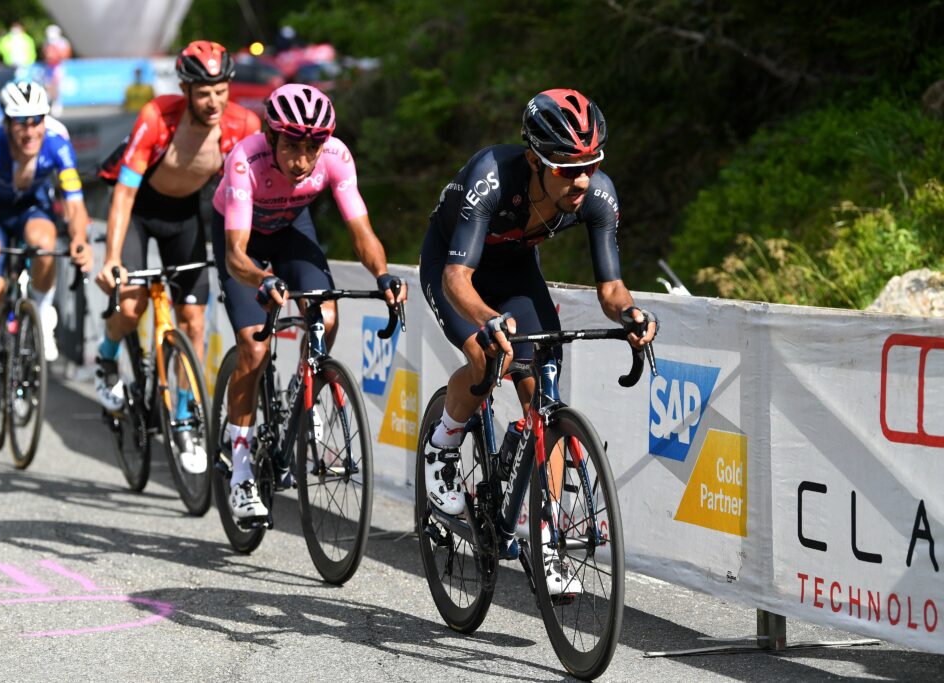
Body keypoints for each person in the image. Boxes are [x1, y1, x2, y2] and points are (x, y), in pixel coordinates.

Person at [418, 88, 657, 595]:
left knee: (541, 400)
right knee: (487, 358)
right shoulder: (491, 175)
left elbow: (611, 289)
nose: (582, 179)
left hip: (516, 270)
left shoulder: (596, 195)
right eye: (568, 169)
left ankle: (542, 537)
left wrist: (633, 313)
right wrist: (488, 318)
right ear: (534, 161)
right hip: (453, 265)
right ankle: (442, 446)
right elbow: (458, 279)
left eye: (591, 164)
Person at [213, 83, 407, 520]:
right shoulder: (245, 158)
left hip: (290, 228)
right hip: (241, 238)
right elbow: (236, 254)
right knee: (254, 348)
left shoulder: (335, 156)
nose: (302, 161)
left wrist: (384, 275)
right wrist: (264, 280)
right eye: (292, 147)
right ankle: (241, 469)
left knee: (327, 313)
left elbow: (361, 232)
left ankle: (306, 388)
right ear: (271, 136)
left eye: (312, 148)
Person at [93, 41, 260, 474]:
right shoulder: (157, 117)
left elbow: (248, 197)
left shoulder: (243, 124)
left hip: (186, 216)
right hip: (140, 212)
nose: (214, 101)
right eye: (204, 92)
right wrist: (112, 257)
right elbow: (125, 192)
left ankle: (184, 414)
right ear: (185, 90)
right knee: (130, 305)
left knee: (194, 320)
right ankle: (106, 356)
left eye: (221, 90)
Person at [0, 81, 93, 432]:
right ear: (7, 123)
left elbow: (75, 204)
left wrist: (79, 238)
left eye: (37, 120)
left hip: (32, 210)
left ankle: (41, 310)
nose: (30, 129)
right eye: (21, 122)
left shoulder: (57, 143)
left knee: (45, 241)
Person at [42, 24, 72, 115]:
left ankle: (57, 104)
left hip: (58, 66)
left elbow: (66, 55)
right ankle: (49, 104)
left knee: (57, 86)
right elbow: (45, 54)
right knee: (48, 85)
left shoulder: (63, 42)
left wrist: (56, 55)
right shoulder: (46, 42)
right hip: (49, 67)